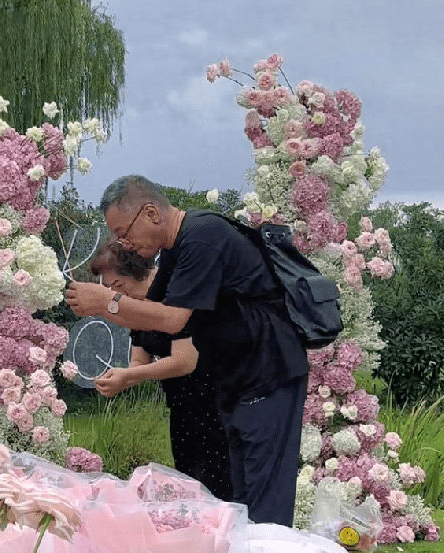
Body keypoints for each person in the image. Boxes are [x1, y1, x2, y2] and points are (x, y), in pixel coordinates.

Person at [66, 174, 309, 526]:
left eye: (124, 232)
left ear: (151, 213)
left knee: (263, 506)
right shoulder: (175, 252)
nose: (126, 244)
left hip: (267, 376)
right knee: (238, 505)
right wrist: (104, 305)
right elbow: (153, 314)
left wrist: (109, 302)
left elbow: (174, 320)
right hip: (234, 386)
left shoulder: (202, 236)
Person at [89, 239, 233, 501]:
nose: (117, 296)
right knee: (190, 485)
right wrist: (120, 378)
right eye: (109, 289)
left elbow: (184, 360)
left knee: (220, 486)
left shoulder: (175, 293)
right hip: (182, 406)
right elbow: (140, 361)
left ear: (140, 272)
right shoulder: (137, 307)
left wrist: (130, 376)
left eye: (118, 286)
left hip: (217, 402)